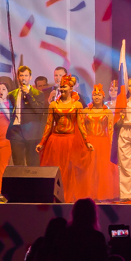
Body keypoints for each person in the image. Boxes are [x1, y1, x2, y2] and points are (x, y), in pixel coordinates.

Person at [36, 75, 93, 203]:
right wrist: (42, 142)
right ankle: (55, 197)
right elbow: (49, 125)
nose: (62, 89)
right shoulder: (53, 105)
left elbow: (81, 125)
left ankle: (68, 196)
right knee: (56, 171)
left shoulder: (77, 105)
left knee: (69, 171)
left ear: (71, 88)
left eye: (64, 87)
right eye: (61, 87)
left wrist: (87, 142)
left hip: (70, 141)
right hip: (55, 141)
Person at [82, 84, 118, 202]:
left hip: (103, 143)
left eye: (99, 95)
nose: (96, 97)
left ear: (103, 97)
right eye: (94, 95)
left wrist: (112, 147)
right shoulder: (85, 111)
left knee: (101, 170)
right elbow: (81, 128)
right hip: (89, 142)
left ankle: (100, 194)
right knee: (89, 169)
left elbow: (111, 130)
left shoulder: (107, 112)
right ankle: (89, 193)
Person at [7, 66, 46, 168]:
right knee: (18, 163)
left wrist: (28, 95)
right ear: (18, 77)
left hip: (31, 132)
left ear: (30, 77)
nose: (23, 78)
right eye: (21, 75)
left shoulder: (38, 94)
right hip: (16, 131)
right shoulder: (12, 94)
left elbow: (39, 111)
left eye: (26, 75)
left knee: (32, 163)